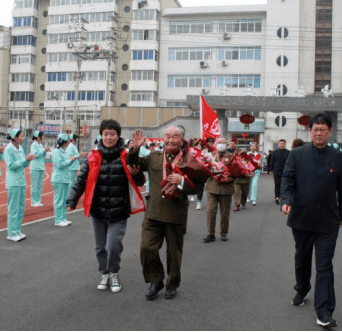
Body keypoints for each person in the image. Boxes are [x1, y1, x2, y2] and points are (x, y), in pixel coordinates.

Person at [281, 113, 342, 328]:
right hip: (301, 218)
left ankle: (324, 312)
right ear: (310, 131)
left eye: (323, 129)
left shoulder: (337, 156)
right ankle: (302, 289)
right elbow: (287, 179)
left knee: (325, 265)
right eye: (315, 129)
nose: (319, 133)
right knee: (302, 258)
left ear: (330, 131)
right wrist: (287, 200)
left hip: (328, 220)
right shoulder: (298, 154)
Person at [127, 126, 204, 301]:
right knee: (146, 248)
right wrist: (135, 149)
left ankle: (172, 284)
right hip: (153, 212)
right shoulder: (153, 157)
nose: (170, 140)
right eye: (167, 136)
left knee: (174, 253)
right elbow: (133, 165)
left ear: (182, 139)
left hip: (176, 212)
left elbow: (199, 187)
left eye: (175, 136)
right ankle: (155, 280)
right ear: (163, 139)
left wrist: (183, 181)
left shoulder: (190, 160)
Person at [67, 120, 145, 293]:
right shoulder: (93, 156)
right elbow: (81, 179)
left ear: (118, 136)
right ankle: (105, 273)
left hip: (119, 210)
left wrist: (136, 167)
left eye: (112, 134)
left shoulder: (126, 155)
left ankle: (114, 272)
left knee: (113, 245)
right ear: (101, 136)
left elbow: (139, 181)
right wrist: (72, 199)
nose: (109, 138)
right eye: (106, 134)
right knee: (100, 247)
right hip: (98, 210)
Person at [4, 129, 36, 242]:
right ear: (15, 138)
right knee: (13, 208)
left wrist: (28, 160)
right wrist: (24, 160)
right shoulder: (8, 150)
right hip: (13, 182)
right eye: (21, 136)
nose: (23, 138)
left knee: (20, 207)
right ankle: (11, 233)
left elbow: (23, 164)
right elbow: (11, 165)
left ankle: (17, 230)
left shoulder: (20, 148)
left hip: (21, 181)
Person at [203, 137, 235, 242]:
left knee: (225, 212)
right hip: (212, 186)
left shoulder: (232, 156)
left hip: (226, 188)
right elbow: (204, 168)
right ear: (215, 144)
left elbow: (238, 171)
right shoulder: (210, 156)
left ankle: (224, 232)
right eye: (219, 142)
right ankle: (210, 234)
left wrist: (231, 177)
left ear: (226, 144)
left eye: (223, 142)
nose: (221, 144)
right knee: (211, 211)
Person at [52, 133, 76, 227]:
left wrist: (70, 160)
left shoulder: (65, 152)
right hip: (59, 179)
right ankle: (58, 219)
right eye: (67, 141)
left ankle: (63, 217)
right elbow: (60, 165)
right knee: (59, 199)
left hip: (65, 178)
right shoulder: (56, 152)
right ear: (64, 142)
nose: (68, 142)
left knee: (64, 199)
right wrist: (70, 160)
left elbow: (66, 164)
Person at [30, 131, 51, 207]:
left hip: (41, 166)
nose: (43, 137)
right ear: (38, 137)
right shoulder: (33, 145)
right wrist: (43, 151)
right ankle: (33, 201)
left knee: (40, 185)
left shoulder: (41, 145)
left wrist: (45, 151)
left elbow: (42, 155)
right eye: (42, 136)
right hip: (35, 167)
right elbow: (35, 155)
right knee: (35, 185)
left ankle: (38, 200)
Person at [269, 139, 290, 205]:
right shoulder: (275, 152)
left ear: (285, 144)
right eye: (281, 143)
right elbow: (272, 161)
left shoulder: (288, 152)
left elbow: (290, 163)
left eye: (283, 143)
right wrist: (271, 170)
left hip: (285, 172)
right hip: (277, 171)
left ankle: (282, 197)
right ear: (278, 144)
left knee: (284, 185)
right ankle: (277, 197)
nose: (282, 145)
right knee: (277, 184)